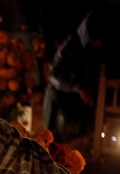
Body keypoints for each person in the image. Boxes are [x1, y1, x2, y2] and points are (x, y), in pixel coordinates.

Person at [42, 10, 106, 143]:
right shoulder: (70, 47)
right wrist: (78, 88)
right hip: (62, 101)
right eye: (98, 39)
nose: (100, 43)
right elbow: (54, 76)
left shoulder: (93, 50)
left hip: (79, 105)